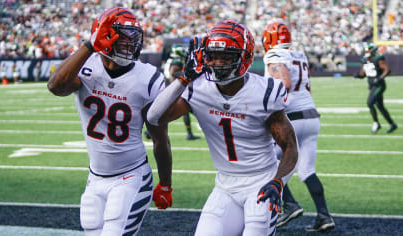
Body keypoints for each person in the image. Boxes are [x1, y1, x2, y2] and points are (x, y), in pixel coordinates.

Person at [148, 20, 298, 236]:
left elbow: (290, 146)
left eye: (226, 57)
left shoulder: (264, 92)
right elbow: (154, 117)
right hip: (224, 185)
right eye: (213, 55)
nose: (218, 62)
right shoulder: (198, 88)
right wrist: (184, 78)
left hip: (261, 181)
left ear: (244, 57)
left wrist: (278, 182)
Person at [47, 7, 173, 236]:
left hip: (131, 176)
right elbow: (55, 86)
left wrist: (165, 183)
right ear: (102, 36)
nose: (128, 44)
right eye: (121, 37)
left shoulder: (148, 77)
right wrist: (89, 44)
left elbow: (160, 138)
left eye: (132, 38)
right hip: (95, 177)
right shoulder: (88, 66)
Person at [262, 22, 335, 232]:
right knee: (307, 170)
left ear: (269, 38)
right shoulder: (299, 55)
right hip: (311, 116)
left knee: (266, 162)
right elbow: (306, 88)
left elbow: (283, 83)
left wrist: (269, 104)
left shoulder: (274, 55)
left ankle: (290, 204)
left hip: (292, 117)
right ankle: (324, 216)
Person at [354, 43, 397, 134]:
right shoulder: (365, 60)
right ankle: (392, 124)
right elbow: (363, 74)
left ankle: (376, 123)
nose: (365, 52)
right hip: (372, 85)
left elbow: (387, 70)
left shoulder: (378, 59)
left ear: (372, 51)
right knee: (380, 106)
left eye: (367, 50)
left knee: (370, 103)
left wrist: (380, 78)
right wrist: (358, 76)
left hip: (379, 85)